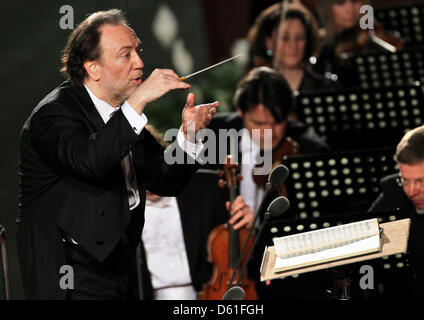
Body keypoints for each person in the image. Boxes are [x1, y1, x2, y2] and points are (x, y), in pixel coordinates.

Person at [17, 9, 219, 300]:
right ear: (93, 67)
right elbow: (91, 161)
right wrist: (138, 101)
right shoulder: (53, 115)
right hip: (70, 274)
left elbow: (164, 181)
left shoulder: (123, 116)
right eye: (126, 55)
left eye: (138, 51)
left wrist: (188, 136)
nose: (140, 63)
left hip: (118, 269)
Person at [206, 66, 331, 299]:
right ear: (241, 113)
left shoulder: (306, 147)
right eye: (259, 123)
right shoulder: (214, 135)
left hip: (285, 272)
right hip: (226, 266)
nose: (269, 132)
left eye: (277, 122)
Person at [138, 126, 254, 300]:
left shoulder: (207, 187)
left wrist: (247, 223)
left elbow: (236, 245)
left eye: (150, 167)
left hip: (207, 293)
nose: (146, 178)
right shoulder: (116, 208)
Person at [369, 124, 424, 299]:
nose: (411, 191)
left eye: (422, 181)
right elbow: (363, 233)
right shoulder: (397, 192)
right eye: (406, 180)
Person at [247, 3, 335, 96]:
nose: (293, 45)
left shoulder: (327, 88)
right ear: (269, 43)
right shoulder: (257, 89)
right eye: (285, 38)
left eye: (299, 38)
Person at [315, 0, 403, 86]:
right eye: (340, 3)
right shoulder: (322, 45)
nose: (350, 10)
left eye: (355, 1)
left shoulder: (373, 33)